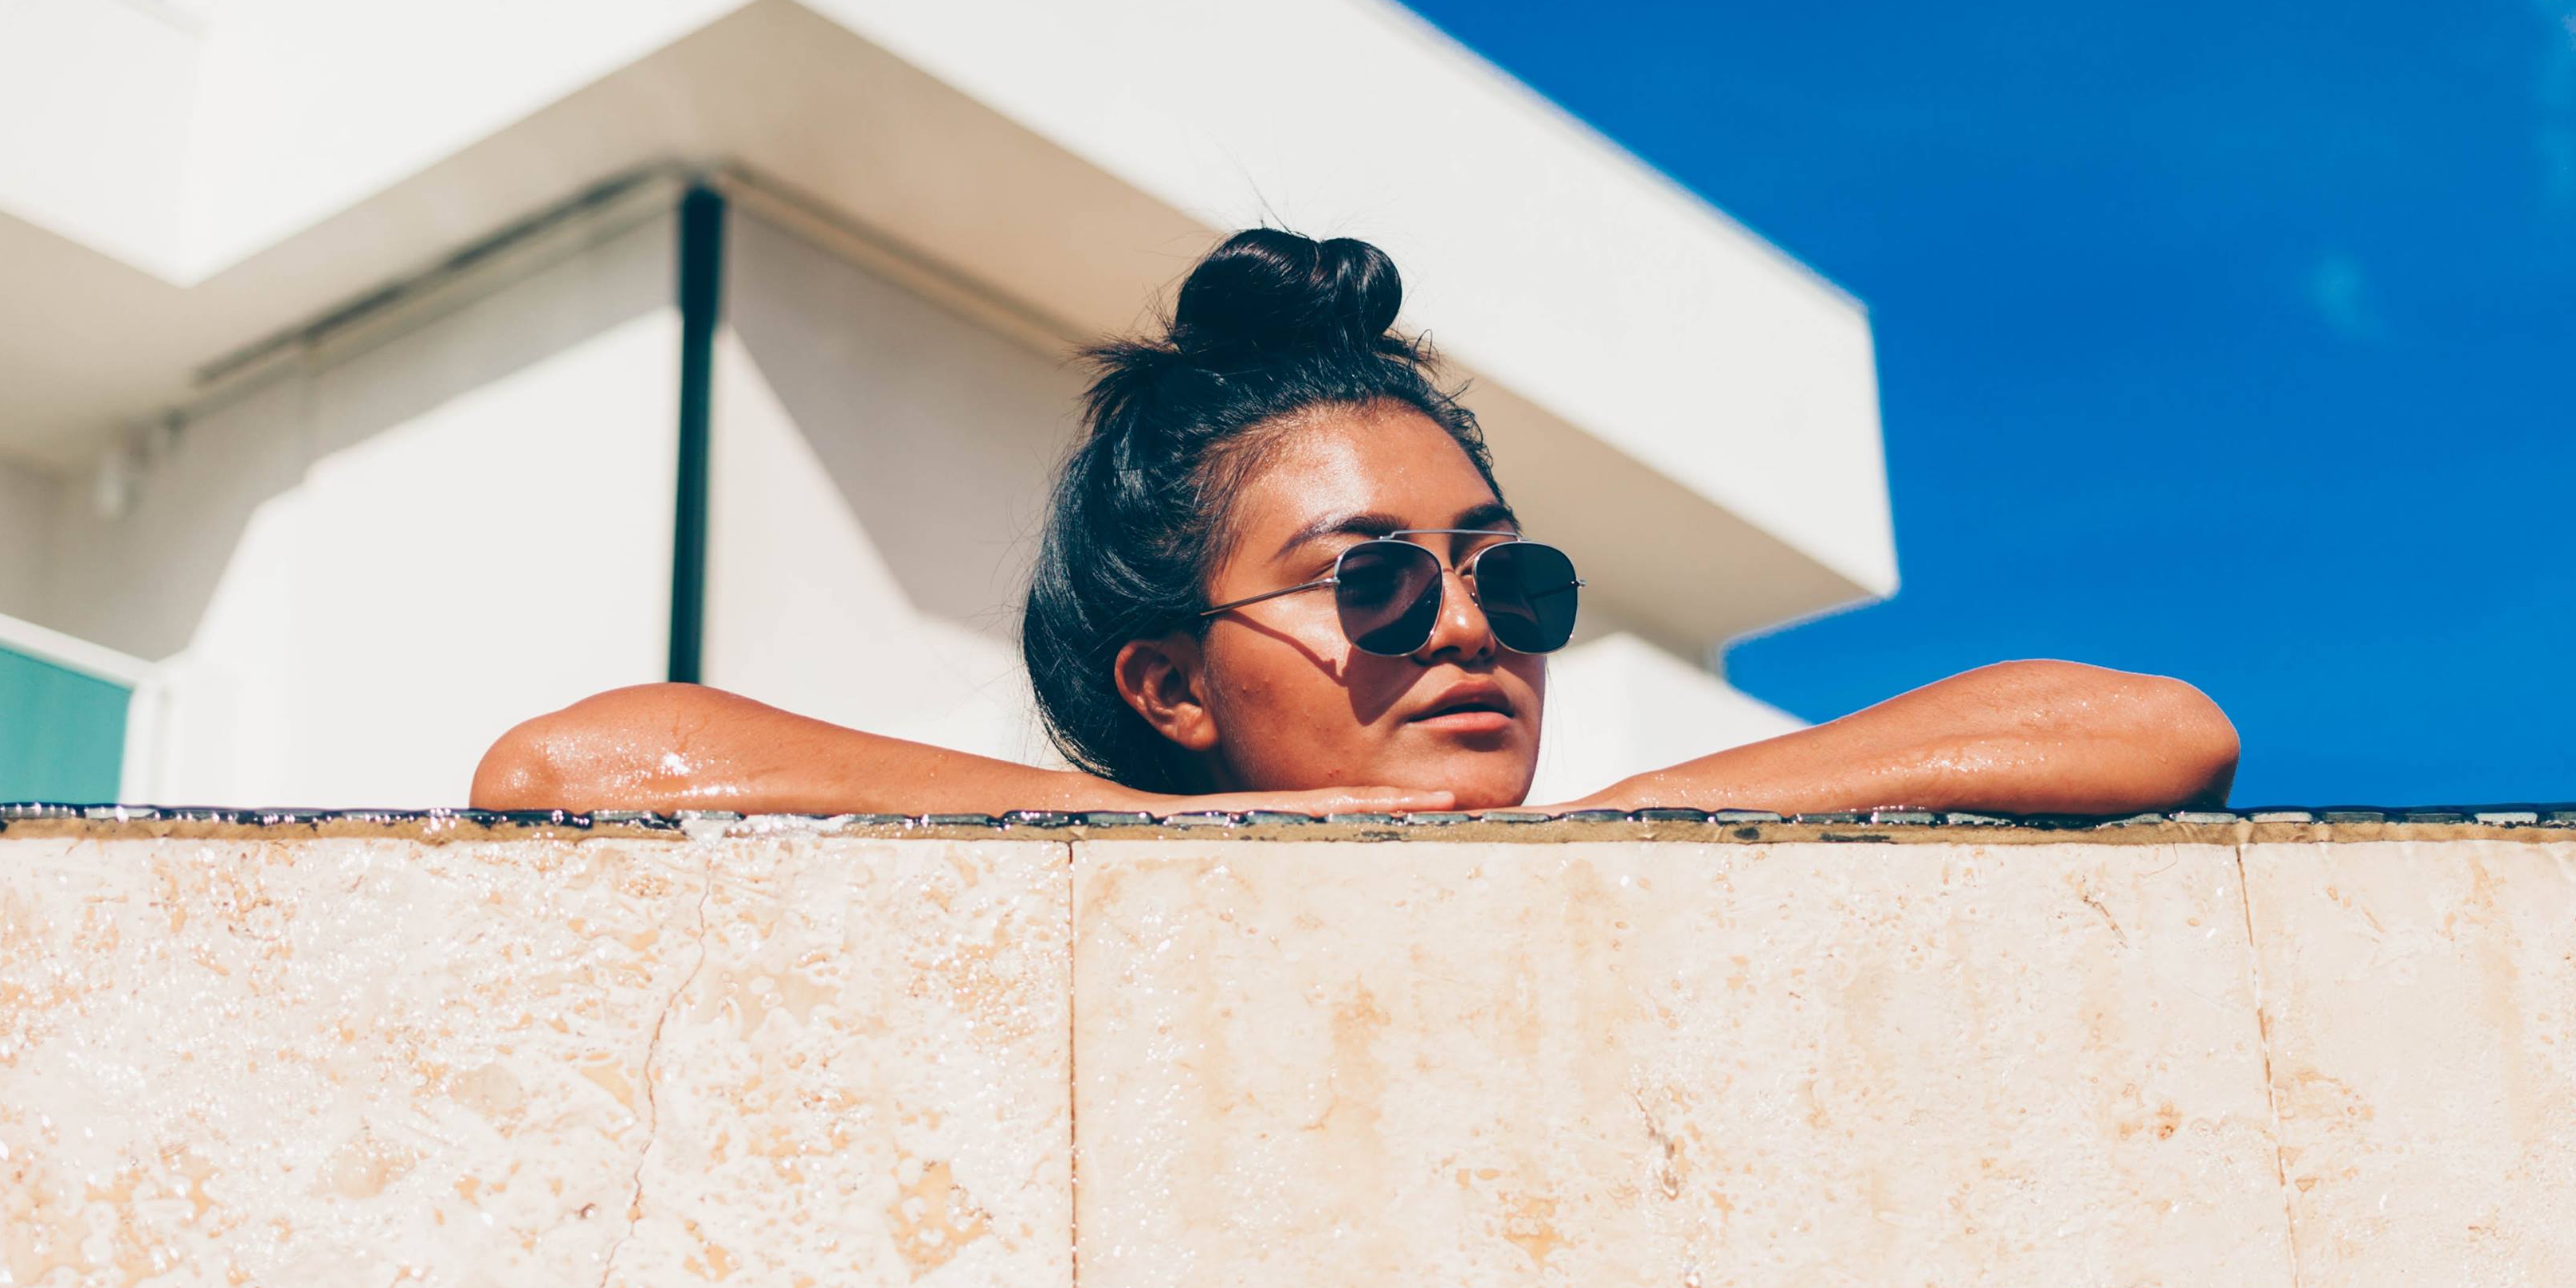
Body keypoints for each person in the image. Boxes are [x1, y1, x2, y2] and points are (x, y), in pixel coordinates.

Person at [470, 230, 2237, 817]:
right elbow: (571, 766)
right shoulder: (1103, 868)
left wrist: (1620, 823)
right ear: (1170, 687)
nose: (1466, 627)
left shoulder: (1619, 851)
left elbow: (2156, 729)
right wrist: (1197, 841)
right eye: (1371, 582)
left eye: (1502, 576)